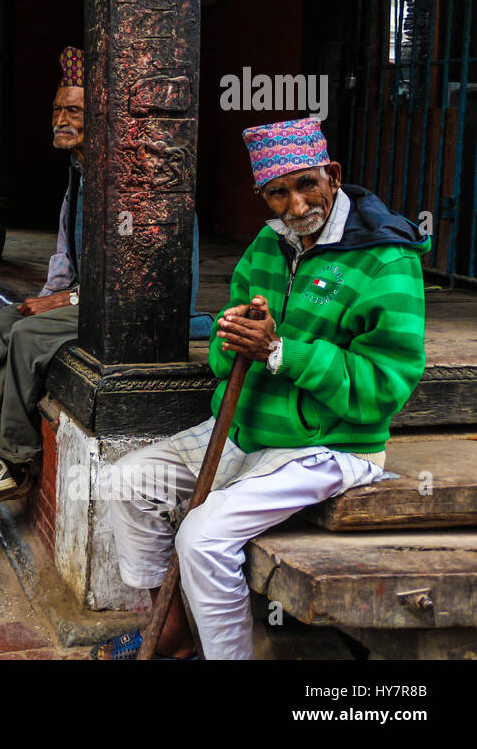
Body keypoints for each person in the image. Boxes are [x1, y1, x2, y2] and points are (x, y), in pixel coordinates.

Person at [95, 118, 428, 660]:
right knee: (130, 481)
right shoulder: (267, 245)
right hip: (247, 430)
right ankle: (174, 631)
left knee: (201, 539)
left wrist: (281, 351)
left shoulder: (386, 258)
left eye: (306, 185)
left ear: (333, 175)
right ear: (263, 196)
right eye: (278, 193)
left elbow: (384, 388)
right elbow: (225, 364)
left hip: (330, 447)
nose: (296, 207)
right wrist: (235, 339)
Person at [0, 46, 212, 516]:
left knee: (30, 334)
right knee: (5, 322)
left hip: (137, 310)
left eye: (73, 110)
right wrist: (51, 296)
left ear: (101, 119)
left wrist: (58, 304)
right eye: (57, 108)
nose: (60, 118)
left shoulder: (131, 182)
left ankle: (14, 462)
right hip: (90, 299)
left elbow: (130, 282)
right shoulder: (79, 174)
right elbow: (64, 254)